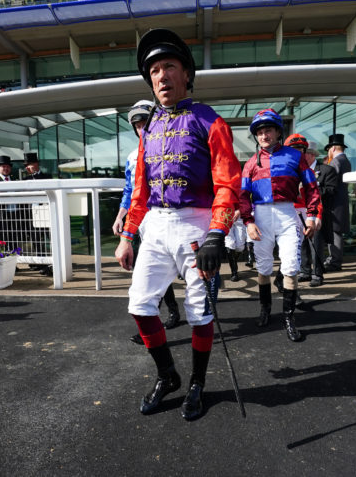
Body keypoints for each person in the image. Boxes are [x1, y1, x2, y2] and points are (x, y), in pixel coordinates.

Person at [115, 28, 240, 421]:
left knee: (200, 311)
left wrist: (217, 232)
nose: (161, 76)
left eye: (169, 67)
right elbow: (139, 191)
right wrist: (128, 235)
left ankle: (198, 383)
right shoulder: (147, 127)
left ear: (187, 74)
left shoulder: (210, 120)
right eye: (153, 71)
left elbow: (227, 181)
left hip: (196, 225)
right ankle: (167, 375)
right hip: (155, 225)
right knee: (140, 304)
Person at [239, 109, 320, 342]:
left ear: (277, 132)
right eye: (260, 132)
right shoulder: (251, 163)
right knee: (263, 268)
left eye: (268, 130)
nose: (264, 135)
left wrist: (312, 216)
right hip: (261, 215)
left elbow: (312, 187)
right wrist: (248, 221)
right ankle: (265, 310)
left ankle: (288, 317)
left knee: (291, 267)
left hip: (287, 213)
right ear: (256, 136)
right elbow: (243, 196)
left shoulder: (295, 157)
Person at [112, 100, 182, 337]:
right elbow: (129, 191)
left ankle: (174, 315)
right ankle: (165, 316)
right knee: (151, 270)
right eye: (138, 126)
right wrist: (121, 217)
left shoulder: (172, 147)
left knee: (163, 269)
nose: (142, 129)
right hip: (141, 220)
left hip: (168, 217)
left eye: (146, 124)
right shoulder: (132, 157)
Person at [289, 136, 337, 288]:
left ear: (309, 154)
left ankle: (317, 273)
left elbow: (324, 194)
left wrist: (317, 214)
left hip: (313, 211)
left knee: (315, 243)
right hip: (296, 212)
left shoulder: (320, 170)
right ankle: (305, 271)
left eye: (303, 153)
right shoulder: (292, 170)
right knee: (302, 243)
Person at [22, 152, 53, 276]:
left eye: (30, 164)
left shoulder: (47, 176)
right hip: (32, 213)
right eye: (27, 165)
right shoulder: (25, 179)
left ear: (36, 164)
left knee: (50, 237)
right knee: (36, 239)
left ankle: (52, 262)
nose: (28, 167)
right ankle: (41, 263)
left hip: (46, 211)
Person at [324, 133, 351, 271]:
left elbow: (330, 183)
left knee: (334, 232)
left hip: (334, 202)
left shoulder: (335, 162)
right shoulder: (346, 161)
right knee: (337, 232)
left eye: (329, 149)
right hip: (342, 201)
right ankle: (334, 259)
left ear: (333, 148)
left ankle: (335, 261)